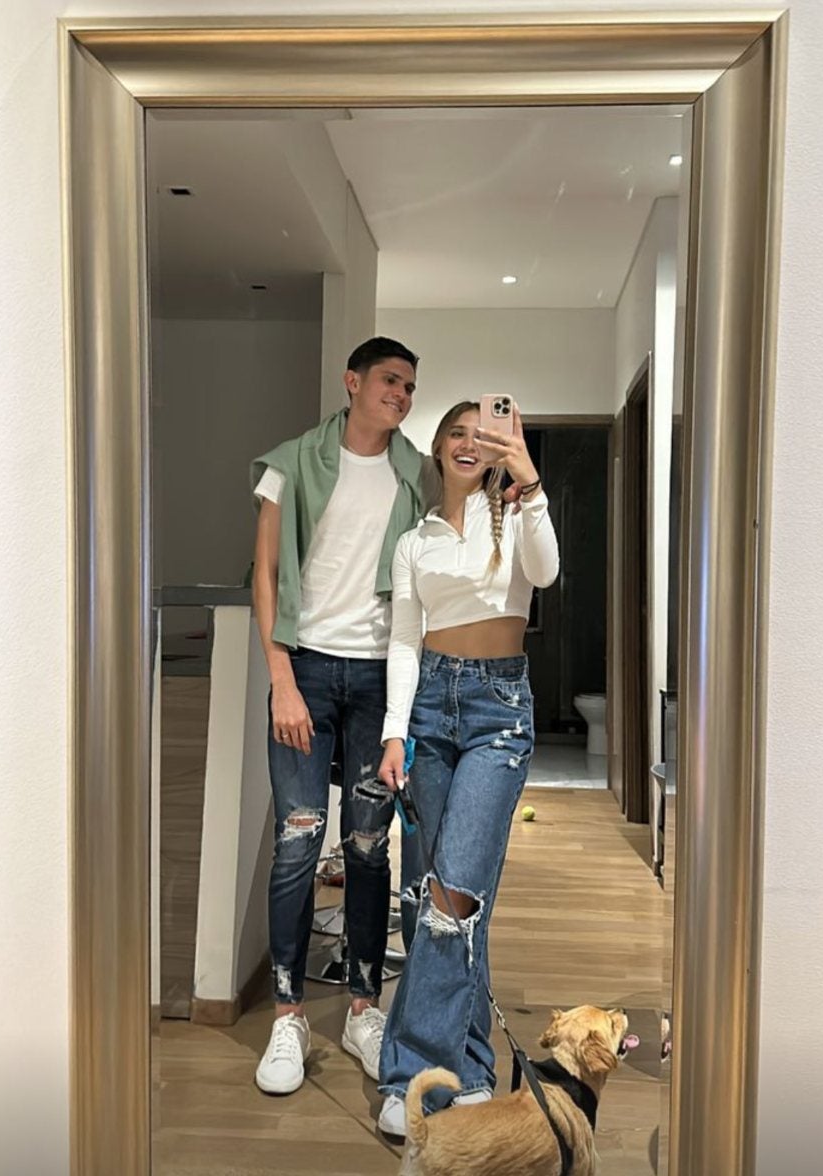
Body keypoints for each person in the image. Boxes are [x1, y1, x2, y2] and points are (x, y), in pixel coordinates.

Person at [374, 399, 560, 1137]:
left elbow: (546, 572)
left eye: (481, 436)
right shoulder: (414, 541)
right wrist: (394, 734)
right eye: (456, 432)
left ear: (494, 452)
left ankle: (410, 1075)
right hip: (428, 710)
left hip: (497, 714)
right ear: (438, 448)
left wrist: (528, 476)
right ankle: (474, 1066)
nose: (467, 444)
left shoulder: (513, 516)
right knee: (442, 895)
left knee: (453, 896)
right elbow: (404, 640)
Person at [250, 336, 426, 1095]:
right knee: (298, 843)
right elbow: (264, 574)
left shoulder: (417, 472)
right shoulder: (290, 463)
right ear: (353, 382)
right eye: (390, 380)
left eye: (410, 386)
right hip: (308, 670)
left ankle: (362, 1007)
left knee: (367, 846)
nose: (401, 395)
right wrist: (281, 680)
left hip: (379, 675)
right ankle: (288, 1015)